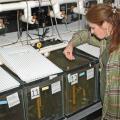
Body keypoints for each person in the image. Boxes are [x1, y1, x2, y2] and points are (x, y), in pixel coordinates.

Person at [63, 4, 120, 120]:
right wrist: (70, 45)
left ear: (105, 24)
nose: (92, 32)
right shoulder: (106, 39)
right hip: (107, 104)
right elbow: (85, 35)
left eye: (93, 28)